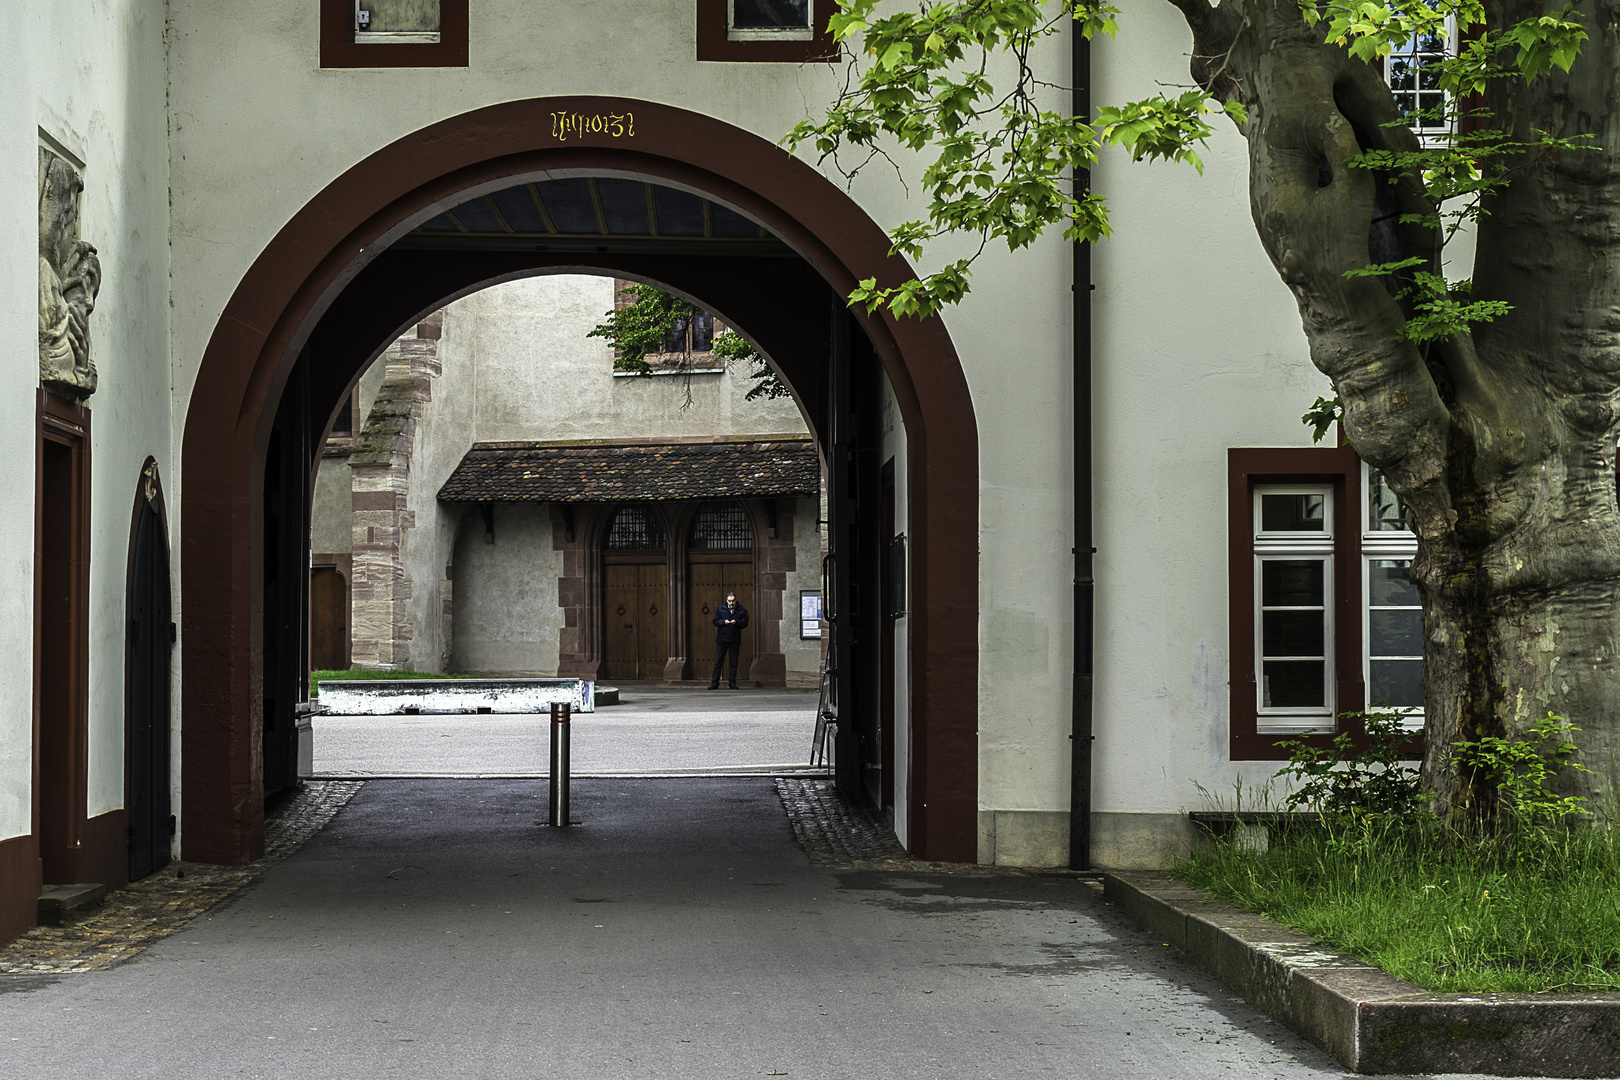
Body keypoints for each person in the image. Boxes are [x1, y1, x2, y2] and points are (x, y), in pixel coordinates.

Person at [708, 592, 749, 690]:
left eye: (733, 601)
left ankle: (732, 683)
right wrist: (723, 622)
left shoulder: (742, 610)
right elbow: (715, 621)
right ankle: (715, 683)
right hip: (722, 638)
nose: (731, 603)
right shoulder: (721, 609)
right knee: (718, 661)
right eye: (729, 601)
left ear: (736, 600)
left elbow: (745, 622)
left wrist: (737, 622)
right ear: (726, 601)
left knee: (733, 662)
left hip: (734, 639)